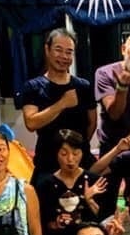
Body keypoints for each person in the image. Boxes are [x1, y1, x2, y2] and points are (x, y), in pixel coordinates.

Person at [17, 28, 97, 183]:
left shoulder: (84, 86)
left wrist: (75, 149)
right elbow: (31, 123)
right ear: (47, 50)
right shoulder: (33, 86)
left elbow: (92, 123)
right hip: (47, 163)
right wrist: (62, 103)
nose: (64, 56)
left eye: (69, 52)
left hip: (79, 163)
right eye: (58, 50)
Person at [35, 129, 105, 235]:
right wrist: (56, 223)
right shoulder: (45, 184)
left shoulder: (94, 181)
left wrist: (89, 200)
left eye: (76, 153)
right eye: (64, 154)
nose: (70, 159)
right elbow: (40, 223)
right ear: (56, 154)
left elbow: (103, 220)